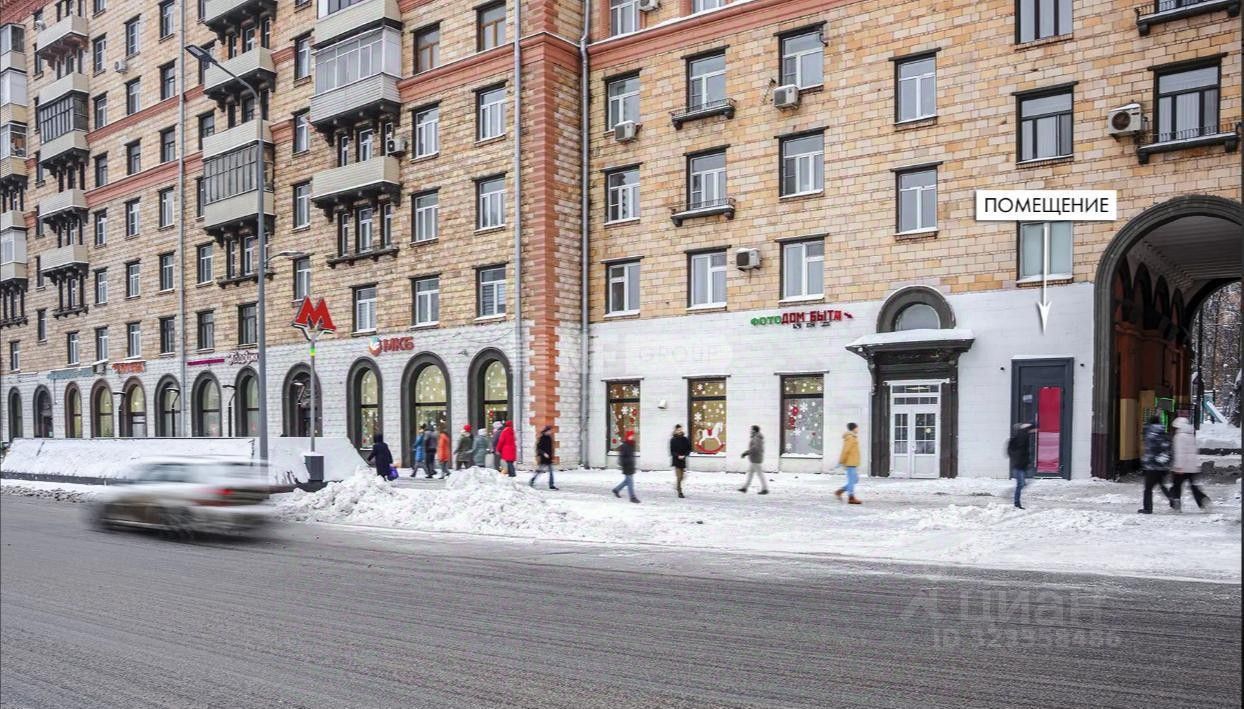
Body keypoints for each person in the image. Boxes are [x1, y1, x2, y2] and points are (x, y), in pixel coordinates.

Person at [1170, 416, 1210, 511]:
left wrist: (1179, 466)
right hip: (1192, 467)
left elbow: (1180, 452)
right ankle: (1202, 498)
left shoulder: (1179, 436)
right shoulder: (1191, 436)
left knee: (1176, 485)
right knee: (1193, 486)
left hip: (1182, 467)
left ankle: (1176, 503)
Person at [1139, 415, 1176, 514]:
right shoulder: (1164, 434)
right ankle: (1172, 499)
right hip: (1162, 466)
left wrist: (1145, 464)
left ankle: (1147, 509)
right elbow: (1168, 449)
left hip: (1151, 466)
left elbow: (1149, 451)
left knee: (1148, 489)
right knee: (1161, 484)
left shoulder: (1149, 434)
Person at [1006, 423, 1034, 510]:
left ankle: (1017, 502)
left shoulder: (1018, 440)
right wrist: (1017, 459)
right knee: (1020, 484)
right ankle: (1017, 503)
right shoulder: (1017, 440)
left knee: (1022, 484)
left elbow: (1010, 453)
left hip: (1022, 465)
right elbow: (1010, 452)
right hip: (1018, 465)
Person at [835, 422, 863, 505]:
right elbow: (845, 450)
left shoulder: (853, 437)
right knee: (852, 480)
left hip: (853, 462)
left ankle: (840, 491)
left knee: (855, 480)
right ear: (854, 428)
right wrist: (841, 461)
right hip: (850, 463)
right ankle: (851, 497)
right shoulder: (850, 437)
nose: (858, 429)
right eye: (857, 428)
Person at [738, 425, 769, 494]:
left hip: (756, 459)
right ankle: (745, 488)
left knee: (759, 474)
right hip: (754, 459)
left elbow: (755, 448)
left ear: (754, 430)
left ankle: (765, 489)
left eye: (751, 429)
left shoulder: (757, 438)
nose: (750, 431)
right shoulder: (756, 437)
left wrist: (746, 452)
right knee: (750, 474)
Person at [612, 430, 639, 503]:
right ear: (627, 437)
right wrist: (627, 462)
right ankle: (632, 497)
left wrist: (632, 463)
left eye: (632, 436)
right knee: (630, 483)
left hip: (631, 466)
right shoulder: (624, 446)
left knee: (627, 481)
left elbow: (631, 456)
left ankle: (616, 490)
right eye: (631, 436)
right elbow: (621, 458)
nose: (632, 437)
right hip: (627, 467)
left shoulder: (632, 445)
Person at [530, 425, 558, 490]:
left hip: (549, 458)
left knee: (551, 472)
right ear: (546, 431)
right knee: (539, 471)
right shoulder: (542, 438)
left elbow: (550, 449)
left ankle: (551, 485)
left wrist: (551, 456)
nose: (550, 432)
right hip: (544, 458)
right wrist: (544, 454)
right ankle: (532, 480)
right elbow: (539, 448)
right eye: (549, 431)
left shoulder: (549, 438)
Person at [670, 424, 691, 499]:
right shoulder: (673, 440)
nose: (680, 431)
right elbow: (672, 451)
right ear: (676, 430)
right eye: (678, 430)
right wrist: (677, 455)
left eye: (681, 429)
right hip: (676, 460)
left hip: (683, 460)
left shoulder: (685, 439)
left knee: (682, 477)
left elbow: (689, 449)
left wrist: (685, 455)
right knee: (679, 477)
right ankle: (680, 491)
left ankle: (677, 486)